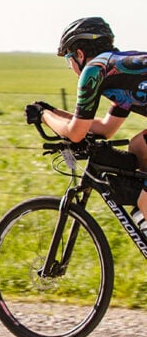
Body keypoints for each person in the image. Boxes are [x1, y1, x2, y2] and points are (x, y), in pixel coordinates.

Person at [25, 16, 147, 217]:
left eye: (68, 59)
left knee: (145, 203)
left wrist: (44, 115)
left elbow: (76, 133)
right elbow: (105, 128)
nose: (70, 66)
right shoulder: (119, 71)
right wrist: (53, 112)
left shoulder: (94, 70)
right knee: (139, 146)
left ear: (79, 54)